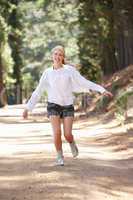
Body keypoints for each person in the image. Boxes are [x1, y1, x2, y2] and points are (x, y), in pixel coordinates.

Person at [23, 45, 113, 166]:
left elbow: (84, 82)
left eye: (60, 55)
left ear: (63, 57)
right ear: (52, 57)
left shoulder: (69, 70)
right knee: (57, 132)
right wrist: (28, 108)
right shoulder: (47, 73)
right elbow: (38, 91)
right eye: (55, 54)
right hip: (53, 105)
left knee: (67, 134)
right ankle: (60, 156)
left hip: (67, 105)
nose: (57, 56)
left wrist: (102, 90)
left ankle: (71, 142)